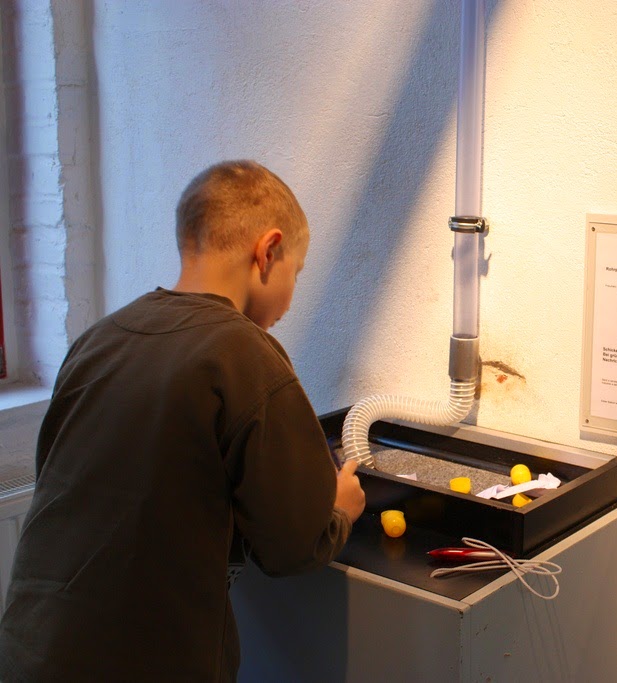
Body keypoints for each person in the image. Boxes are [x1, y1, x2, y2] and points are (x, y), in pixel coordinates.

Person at [0, 160, 365, 681]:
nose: (291, 295)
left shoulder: (100, 339)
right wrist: (339, 510)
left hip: (29, 647)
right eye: (297, 272)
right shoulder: (246, 353)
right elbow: (293, 547)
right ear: (268, 251)